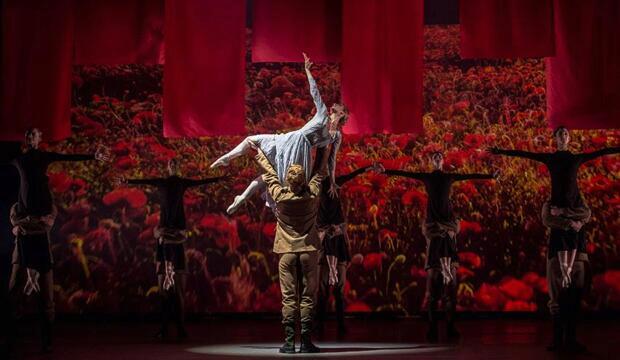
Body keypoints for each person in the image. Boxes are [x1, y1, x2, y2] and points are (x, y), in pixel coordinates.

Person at [489, 126, 619, 352]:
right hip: (559, 241)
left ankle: (570, 339)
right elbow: (528, 155)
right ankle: (559, 339)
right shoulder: (550, 166)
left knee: (574, 295)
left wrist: (567, 216)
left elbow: (600, 153)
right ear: (555, 138)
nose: (563, 137)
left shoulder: (576, 162)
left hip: (575, 241)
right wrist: (502, 151)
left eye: (566, 134)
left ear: (569, 138)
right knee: (558, 295)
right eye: (559, 134)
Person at [8, 128, 110, 353]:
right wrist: (20, 222)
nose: (29, 137)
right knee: (13, 288)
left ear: (38, 138)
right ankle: (9, 336)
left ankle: (47, 340)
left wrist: (92, 156)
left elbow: (66, 157)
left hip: (38, 234)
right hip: (25, 232)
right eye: (27, 134)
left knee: (47, 296)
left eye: (32, 134)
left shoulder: (43, 157)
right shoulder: (18, 159)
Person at [210, 53, 347, 214]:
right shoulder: (323, 113)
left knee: (275, 179)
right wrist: (307, 71)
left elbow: (331, 160)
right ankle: (229, 161)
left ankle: (243, 197)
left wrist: (331, 181)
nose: (334, 107)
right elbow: (314, 91)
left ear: (341, 115)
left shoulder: (334, 134)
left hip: (299, 148)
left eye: (338, 109)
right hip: (292, 141)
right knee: (253, 144)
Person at [384, 151, 497, 342]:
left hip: (446, 232)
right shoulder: (427, 177)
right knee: (435, 287)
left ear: (442, 160)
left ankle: (451, 326)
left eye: (439, 156)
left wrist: (490, 176)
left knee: (450, 288)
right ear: (431, 160)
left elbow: (470, 176)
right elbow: (406, 174)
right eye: (434, 156)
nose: (437, 158)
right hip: (437, 235)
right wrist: (385, 170)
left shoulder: (449, 177)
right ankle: (433, 328)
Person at [117, 158, 225, 340]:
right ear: (168, 167)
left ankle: (180, 329)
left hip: (175, 242)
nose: (173, 166)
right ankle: (165, 328)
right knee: (164, 292)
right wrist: (127, 181)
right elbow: (145, 181)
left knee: (178, 292)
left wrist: (218, 179)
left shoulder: (181, 182)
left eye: (175, 164)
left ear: (177, 167)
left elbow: (200, 182)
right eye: (171, 164)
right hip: (165, 242)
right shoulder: (162, 182)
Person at [252, 140, 329, 353]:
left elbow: (269, 175)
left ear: (288, 180)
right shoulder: (312, 194)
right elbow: (319, 173)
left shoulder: (280, 195)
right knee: (307, 296)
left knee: (288, 296)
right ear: (303, 180)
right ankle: (305, 341)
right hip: (308, 250)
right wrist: (323, 148)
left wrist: (258, 154)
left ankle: (288, 342)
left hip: (286, 250)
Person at [315, 157, 384, 336]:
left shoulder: (337, 182)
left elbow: (355, 173)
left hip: (337, 239)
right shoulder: (315, 185)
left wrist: (370, 166)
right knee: (322, 289)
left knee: (338, 288)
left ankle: (340, 325)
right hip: (324, 239)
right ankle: (320, 325)